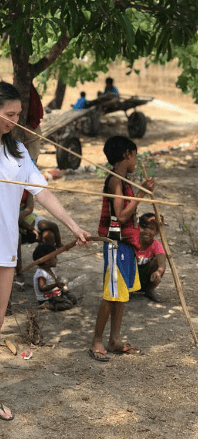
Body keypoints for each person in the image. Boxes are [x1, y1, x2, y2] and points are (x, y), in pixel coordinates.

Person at [0, 82, 90, 427]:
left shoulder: (19, 153)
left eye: (18, 115)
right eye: (9, 114)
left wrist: (72, 225)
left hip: (5, 249)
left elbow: (43, 192)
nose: (15, 120)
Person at [89, 135, 154, 362]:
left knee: (121, 294)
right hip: (115, 244)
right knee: (111, 294)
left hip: (127, 245)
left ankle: (114, 339)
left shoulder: (125, 181)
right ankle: (97, 340)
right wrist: (141, 194)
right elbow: (121, 215)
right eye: (135, 155)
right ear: (127, 154)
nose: (136, 160)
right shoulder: (115, 181)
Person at [32, 243, 77, 311]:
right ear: (47, 261)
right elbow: (42, 288)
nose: (57, 259)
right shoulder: (41, 273)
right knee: (68, 304)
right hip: (46, 298)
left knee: (73, 299)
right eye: (55, 257)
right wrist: (55, 285)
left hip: (53, 295)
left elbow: (53, 280)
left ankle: (56, 301)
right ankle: (48, 305)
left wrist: (59, 282)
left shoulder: (50, 270)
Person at [135, 212, 166, 302]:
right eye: (144, 227)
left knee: (158, 261)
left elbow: (161, 263)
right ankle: (128, 289)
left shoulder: (156, 245)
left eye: (152, 229)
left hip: (146, 279)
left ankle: (150, 290)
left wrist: (158, 272)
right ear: (138, 227)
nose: (147, 231)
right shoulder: (133, 242)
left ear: (156, 232)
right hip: (132, 279)